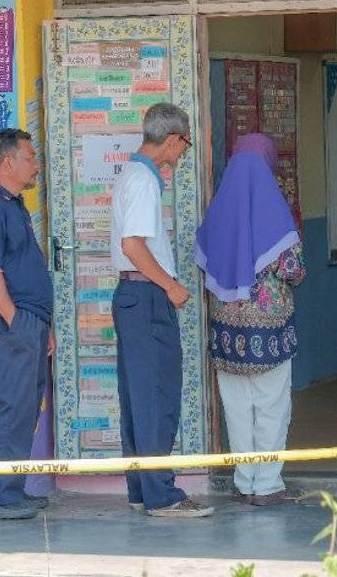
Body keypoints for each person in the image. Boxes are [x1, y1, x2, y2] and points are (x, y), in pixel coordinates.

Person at [110, 103, 213, 518]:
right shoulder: (144, 181)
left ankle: (142, 488)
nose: (182, 151)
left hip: (135, 297)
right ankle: (162, 495)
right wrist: (170, 286)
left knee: (138, 396)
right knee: (155, 394)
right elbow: (133, 246)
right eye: (184, 143)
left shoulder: (135, 176)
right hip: (147, 296)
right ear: (171, 139)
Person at [195, 133, 305, 506]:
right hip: (270, 330)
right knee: (272, 405)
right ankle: (268, 485)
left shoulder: (218, 210)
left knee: (237, 406)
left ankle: (244, 482)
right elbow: (294, 270)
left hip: (227, 330)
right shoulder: (275, 210)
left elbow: (204, 258)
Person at [0, 129, 54, 520]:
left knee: (24, 409)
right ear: (7, 163)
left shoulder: (13, 204)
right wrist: (17, 321)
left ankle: (13, 489)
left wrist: (39, 325)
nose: (36, 164)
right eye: (30, 157)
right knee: (11, 407)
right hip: (7, 326)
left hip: (28, 322)